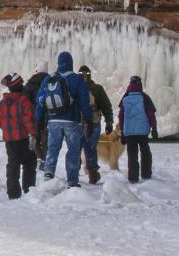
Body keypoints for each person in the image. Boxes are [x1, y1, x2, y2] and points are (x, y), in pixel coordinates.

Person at [34, 51, 93, 188]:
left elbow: (40, 101)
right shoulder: (76, 79)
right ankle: (72, 182)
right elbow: (84, 102)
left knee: (52, 149)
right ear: (71, 63)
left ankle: (48, 175)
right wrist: (89, 121)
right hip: (72, 122)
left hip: (53, 122)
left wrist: (39, 122)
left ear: (58, 63)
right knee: (73, 151)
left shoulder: (48, 79)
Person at [0, 74, 37, 199]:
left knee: (13, 165)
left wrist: (8, 132)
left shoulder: (2, 103)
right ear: (19, 86)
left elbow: (0, 122)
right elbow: (29, 120)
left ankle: (13, 193)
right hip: (24, 139)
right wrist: (34, 134)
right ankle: (29, 190)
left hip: (10, 140)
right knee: (29, 163)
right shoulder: (23, 101)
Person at [118, 75, 159, 183]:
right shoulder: (144, 97)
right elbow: (151, 113)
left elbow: (121, 116)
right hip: (142, 132)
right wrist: (154, 127)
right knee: (145, 152)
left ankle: (133, 178)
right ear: (139, 84)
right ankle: (146, 174)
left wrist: (122, 132)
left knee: (132, 155)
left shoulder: (125, 98)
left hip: (130, 133)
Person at [78, 65, 113, 184]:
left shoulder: (73, 88)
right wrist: (109, 123)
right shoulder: (97, 89)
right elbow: (107, 107)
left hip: (77, 124)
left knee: (75, 149)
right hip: (94, 123)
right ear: (90, 75)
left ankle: (73, 175)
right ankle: (93, 175)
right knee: (90, 149)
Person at [23, 65, 50, 166]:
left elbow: (24, 100)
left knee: (35, 136)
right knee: (46, 137)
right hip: (48, 115)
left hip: (35, 115)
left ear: (36, 70)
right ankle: (46, 159)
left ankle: (38, 157)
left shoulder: (30, 83)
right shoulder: (50, 81)